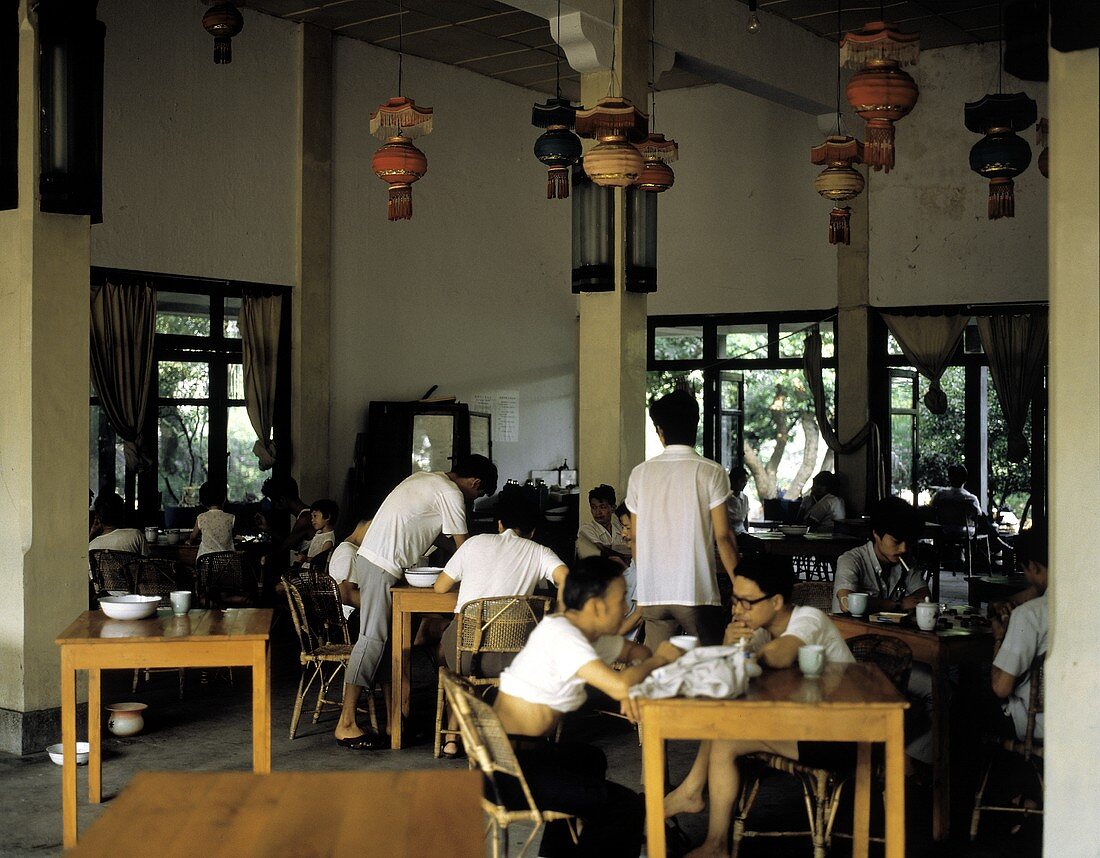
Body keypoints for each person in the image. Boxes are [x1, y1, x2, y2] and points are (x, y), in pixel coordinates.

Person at [494, 557, 684, 857]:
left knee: (589, 758)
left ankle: (558, 852)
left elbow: (636, 651)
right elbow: (629, 676)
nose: (627, 608)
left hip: (516, 755)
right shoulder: (564, 638)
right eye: (621, 599)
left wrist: (630, 685)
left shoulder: (577, 632)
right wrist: (659, 660)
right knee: (625, 806)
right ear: (596, 606)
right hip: (507, 772)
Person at [663, 559, 854, 858]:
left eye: (746, 602)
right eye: (734, 600)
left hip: (842, 735)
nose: (737, 610)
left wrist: (744, 656)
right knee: (723, 721)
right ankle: (697, 806)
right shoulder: (762, 630)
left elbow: (781, 655)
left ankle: (702, 817)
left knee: (725, 735)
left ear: (777, 601)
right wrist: (728, 647)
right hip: (806, 725)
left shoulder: (809, 618)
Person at [334, 454, 498, 749]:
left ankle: (394, 723)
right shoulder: (450, 493)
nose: (474, 500)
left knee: (387, 642)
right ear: (475, 482)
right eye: (478, 494)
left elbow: (446, 540)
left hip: (379, 563)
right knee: (372, 639)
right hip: (381, 565)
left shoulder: (427, 477)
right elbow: (463, 549)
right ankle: (346, 723)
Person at [432, 494, 568, 757]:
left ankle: (451, 738)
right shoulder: (539, 552)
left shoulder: (473, 544)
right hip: (513, 661)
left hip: (466, 654)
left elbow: (440, 587)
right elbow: (569, 581)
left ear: (499, 523)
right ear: (533, 530)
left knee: (450, 661)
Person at [626, 389, 740, 648]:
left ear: (660, 431)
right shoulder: (711, 472)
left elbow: (634, 538)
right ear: (696, 425)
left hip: (652, 593)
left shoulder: (640, 474)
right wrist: (740, 586)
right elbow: (723, 537)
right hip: (696, 593)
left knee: (656, 669)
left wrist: (647, 581)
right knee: (713, 662)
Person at [832, 495, 936, 766]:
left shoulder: (904, 563)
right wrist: (899, 603)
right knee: (937, 688)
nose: (903, 548)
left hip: (891, 650)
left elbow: (924, 596)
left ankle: (906, 758)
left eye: (908, 542)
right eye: (896, 541)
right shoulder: (851, 560)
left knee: (940, 685)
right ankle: (908, 763)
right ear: (876, 534)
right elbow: (845, 599)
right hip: (853, 654)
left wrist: (915, 600)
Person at [991, 525, 1048, 742]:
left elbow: (1001, 688)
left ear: (1032, 566)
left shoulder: (1028, 616)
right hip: (1081, 717)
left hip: (1036, 723)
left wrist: (998, 637)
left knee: (967, 703)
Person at [575, 484, 631, 568]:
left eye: (602, 507)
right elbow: (600, 549)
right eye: (593, 507)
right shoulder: (586, 529)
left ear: (613, 508)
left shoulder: (620, 528)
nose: (598, 512)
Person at [329, 519, 371, 622]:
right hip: (353, 619)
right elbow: (346, 595)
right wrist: (381, 605)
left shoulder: (352, 549)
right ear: (369, 524)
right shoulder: (348, 553)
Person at [614, 503, 644, 641]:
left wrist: (608, 638)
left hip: (625, 640)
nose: (623, 533)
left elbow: (639, 615)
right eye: (622, 527)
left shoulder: (647, 566)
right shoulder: (635, 561)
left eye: (627, 527)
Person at [931, 464, 983, 535]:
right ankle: (996, 538)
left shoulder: (940, 495)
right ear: (965, 479)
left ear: (949, 478)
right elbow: (978, 515)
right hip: (964, 531)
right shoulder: (970, 498)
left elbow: (932, 508)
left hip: (944, 530)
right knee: (984, 520)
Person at [188, 482, 235, 559]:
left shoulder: (201, 518)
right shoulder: (231, 518)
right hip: (228, 563)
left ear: (203, 502)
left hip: (205, 564)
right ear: (224, 499)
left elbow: (193, 536)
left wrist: (189, 540)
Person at [299, 498, 338, 565]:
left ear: (327, 517)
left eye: (315, 516)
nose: (312, 520)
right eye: (312, 517)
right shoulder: (319, 533)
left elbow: (320, 561)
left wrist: (305, 559)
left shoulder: (328, 540)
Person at [726, 466, 750, 535]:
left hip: (741, 533)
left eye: (746, 481)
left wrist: (748, 534)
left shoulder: (745, 498)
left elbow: (745, 520)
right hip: (728, 534)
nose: (744, 484)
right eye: (742, 481)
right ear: (734, 480)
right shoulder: (725, 497)